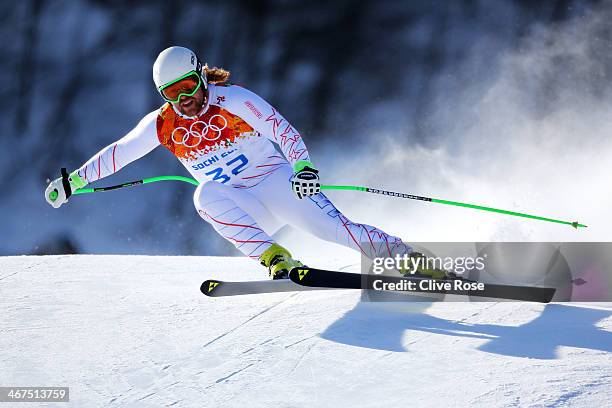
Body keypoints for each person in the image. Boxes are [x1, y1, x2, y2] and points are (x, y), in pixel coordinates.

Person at [45, 46, 431, 280]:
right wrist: (74, 181)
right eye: (172, 93)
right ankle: (275, 258)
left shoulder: (234, 101)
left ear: (201, 77)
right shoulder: (164, 124)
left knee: (335, 230)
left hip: (277, 185)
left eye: (189, 87)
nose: (185, 100)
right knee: (204, 195)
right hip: (242, 205)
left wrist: (303, 169)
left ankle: (408, 258)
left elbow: (283, 130)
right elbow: (121, 151)